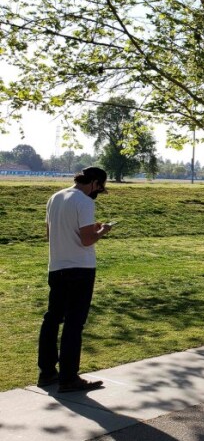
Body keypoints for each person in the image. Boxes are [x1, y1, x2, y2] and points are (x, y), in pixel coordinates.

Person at [38, 167, 112, 392]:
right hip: (80, 268)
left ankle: (47, 372)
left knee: (52, 318)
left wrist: (91, 228)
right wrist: (103, 230)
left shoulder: (55, 197)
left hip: (57, 266)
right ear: (95, 183)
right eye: (99, 188)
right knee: (74, 323)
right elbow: (87, 241)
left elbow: (50, 233)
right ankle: (69, 377)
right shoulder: (85, 202)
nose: (98, 192)